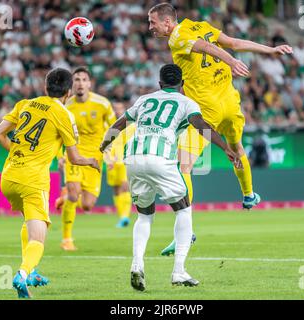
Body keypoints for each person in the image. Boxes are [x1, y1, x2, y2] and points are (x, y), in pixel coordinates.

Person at [147, 3, 293, 255]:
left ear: (168, 23)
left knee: (183, 165)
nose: (150, 27)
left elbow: (207, 47)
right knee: (236, 148)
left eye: (153, 22)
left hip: (207, 109)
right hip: (230, 102)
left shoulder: (177, 38)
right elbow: (233, 42)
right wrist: (269, 50)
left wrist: (232, 61)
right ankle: (248, 194)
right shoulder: (201, 25)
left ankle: (185, 231)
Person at [100, 64, 242, 290]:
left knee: (144, 216)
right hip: (160, 158)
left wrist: (104, 143)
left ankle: (137, 264)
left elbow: (119, 124)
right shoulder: (187, 102)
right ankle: (179, 271)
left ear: (159, 84)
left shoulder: (144, 99)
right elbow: (201, 126)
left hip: (133, 158)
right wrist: (225, 148)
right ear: (182, 84)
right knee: (184, 208)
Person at [0, 68, 99, 298]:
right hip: (33, 180)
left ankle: (32, 273)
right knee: (38, 238)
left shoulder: (24, 104)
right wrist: (90, 161)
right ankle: (22, 274)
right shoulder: (64, 114)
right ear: (68, 92)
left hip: (9, 177)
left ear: (45, 87)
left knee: (28, 222)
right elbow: (74, 158)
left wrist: (18, 154)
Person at [57, 66, 116, 251]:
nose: (80, 83)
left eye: (83, 79)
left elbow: (114, 129)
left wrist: (111, 154)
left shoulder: (103, 104)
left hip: (95, 159)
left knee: (88, 205)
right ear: (71, 84)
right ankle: (67, 239)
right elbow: (58, 134)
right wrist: (60, 156)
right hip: (74, 155)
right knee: (74, 195)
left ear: (89, 84)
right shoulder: (66, 106)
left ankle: (65, 196)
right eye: (76, 80)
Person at [105, 102, 133, 228]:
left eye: (119, 108)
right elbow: (105, 145)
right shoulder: (108, 126)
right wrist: (107, 159)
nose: (117, 111)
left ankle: (125, 216)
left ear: (124, 110)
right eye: (115, 109)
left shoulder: (130, 126)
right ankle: (121, 216)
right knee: (116, 189)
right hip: (111, 163)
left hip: (124, 161)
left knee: (124, 186)